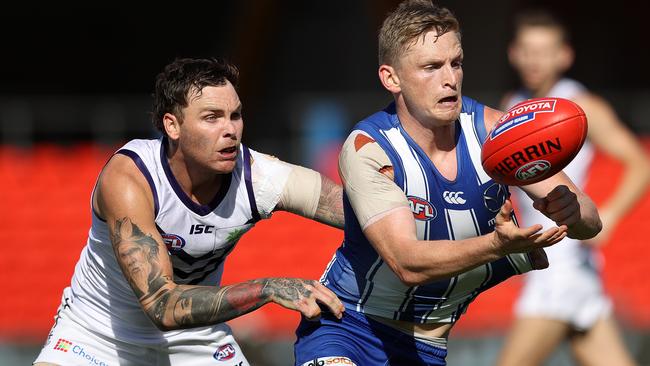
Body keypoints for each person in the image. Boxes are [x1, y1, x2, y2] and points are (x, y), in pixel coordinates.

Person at [293, 1, 602, 365]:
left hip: (428, 349)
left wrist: (572, 209)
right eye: (431, 67)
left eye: (455, 63)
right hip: (348, 330)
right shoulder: (370, 148)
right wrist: (496, 245)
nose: (450, 79)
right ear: (391, 78)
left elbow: (590, 221)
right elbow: (406, 263)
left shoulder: (496, 133)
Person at [33, 57, 346, 366]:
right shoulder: (131, 178)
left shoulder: (259, 177)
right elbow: (161, 306)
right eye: (212, 117)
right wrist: (266, 289)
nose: (230, 130)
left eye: (235, 115)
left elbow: (364, 214)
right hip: (98, 333)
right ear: (172, 125)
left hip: (196, 335)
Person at [496, 9, 650, 366]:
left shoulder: (579, 106)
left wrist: (609, 215)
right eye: (528, 50)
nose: (536, 60)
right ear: (514, 54)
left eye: (545, 51)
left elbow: (639, 162)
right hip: (563, 264)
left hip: (563, 264)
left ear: (564, 55)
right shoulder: (510, 107)